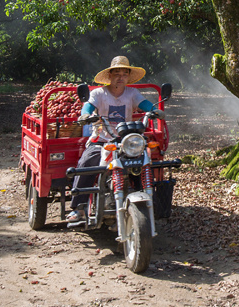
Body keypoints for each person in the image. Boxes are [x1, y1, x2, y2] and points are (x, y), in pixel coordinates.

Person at [67, 55, 166, 225]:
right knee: (88, 161)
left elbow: (143, 104)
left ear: (128, 77)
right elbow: (89, 105)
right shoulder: (99, 93)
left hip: (125, 141)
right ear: (110, 76)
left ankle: (150, 200)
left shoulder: (132, 93)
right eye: (117, 73)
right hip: (102, 139)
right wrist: (85, 114)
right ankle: (79, 207)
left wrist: (154, 110)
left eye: (124, 74)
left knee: (144, 161)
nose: (121, 77)